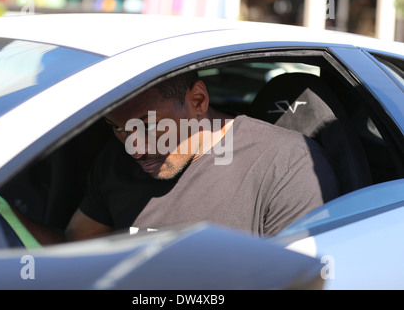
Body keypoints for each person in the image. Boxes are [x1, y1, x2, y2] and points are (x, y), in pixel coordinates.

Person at [65, 72, 340, 241]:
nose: (134, 148)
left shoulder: (287, 163)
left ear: (198, 101)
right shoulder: (117, 158)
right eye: (117, 128)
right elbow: (76, 249)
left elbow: (299, 280)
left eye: (147, 126)